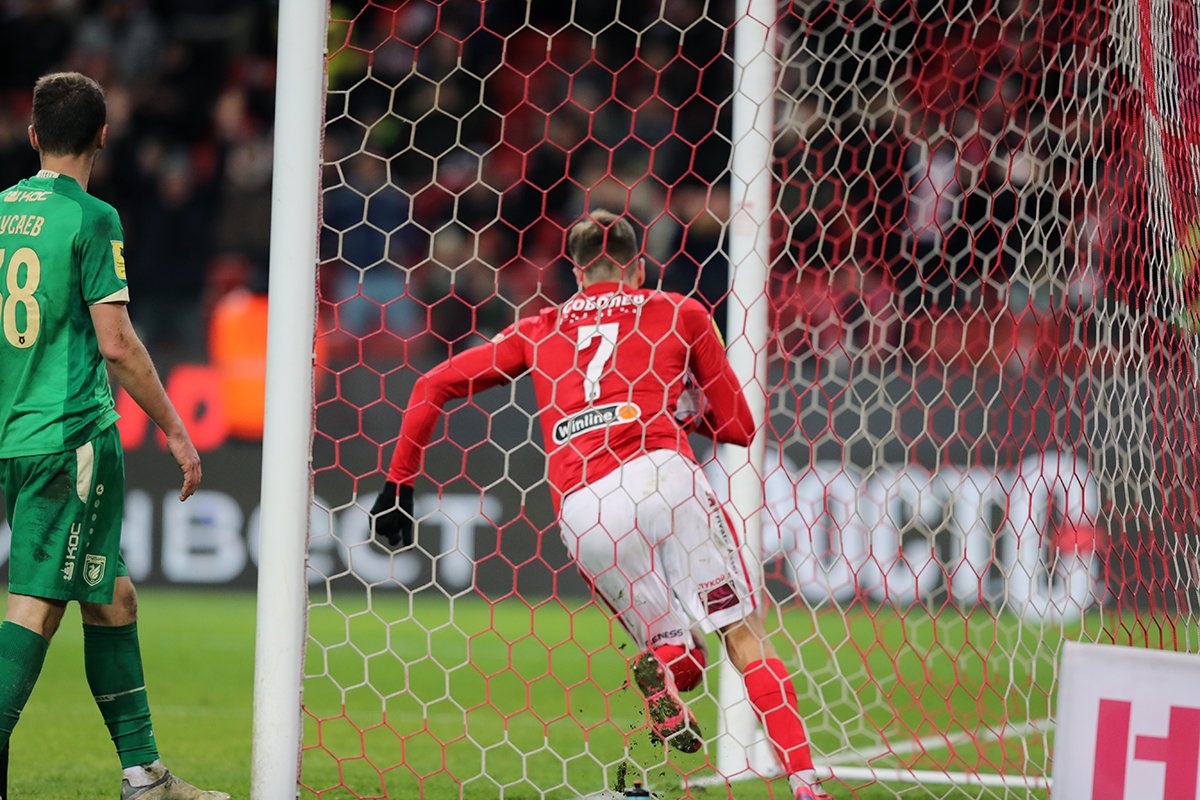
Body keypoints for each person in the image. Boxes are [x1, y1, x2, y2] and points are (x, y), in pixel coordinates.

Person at [371, 210, 832, 799]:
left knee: (670, 646)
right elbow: (740, 427)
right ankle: (804, 784)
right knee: (741, 634)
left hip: (584, 507)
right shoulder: (681, 311)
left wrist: (398, 486)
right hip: (663, 474)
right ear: (638, 266)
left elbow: (430, 384)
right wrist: (685, 411)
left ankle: (665, 661)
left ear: (576, 271)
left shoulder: (539, 328)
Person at [0, 73, 228, 800]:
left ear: (33, 136)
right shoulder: (93, 217)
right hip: (70, 437)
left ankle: (145, 775)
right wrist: (176, 430)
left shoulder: (2, 211)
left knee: (112, 596)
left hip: (16, 435)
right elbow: (118, 344)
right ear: (103, 135)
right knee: (36, 605)